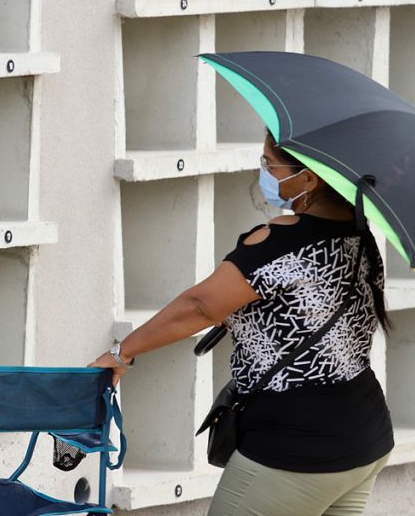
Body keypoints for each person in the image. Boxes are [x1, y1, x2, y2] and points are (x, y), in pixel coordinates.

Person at [90, 131, 394, 516]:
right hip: (365, 437)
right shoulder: (360, 234)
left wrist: (122, 353)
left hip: (296, 449)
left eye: (270, 162)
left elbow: (200, 307)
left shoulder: (279, 241)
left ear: (309, 178)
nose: (264, 170)